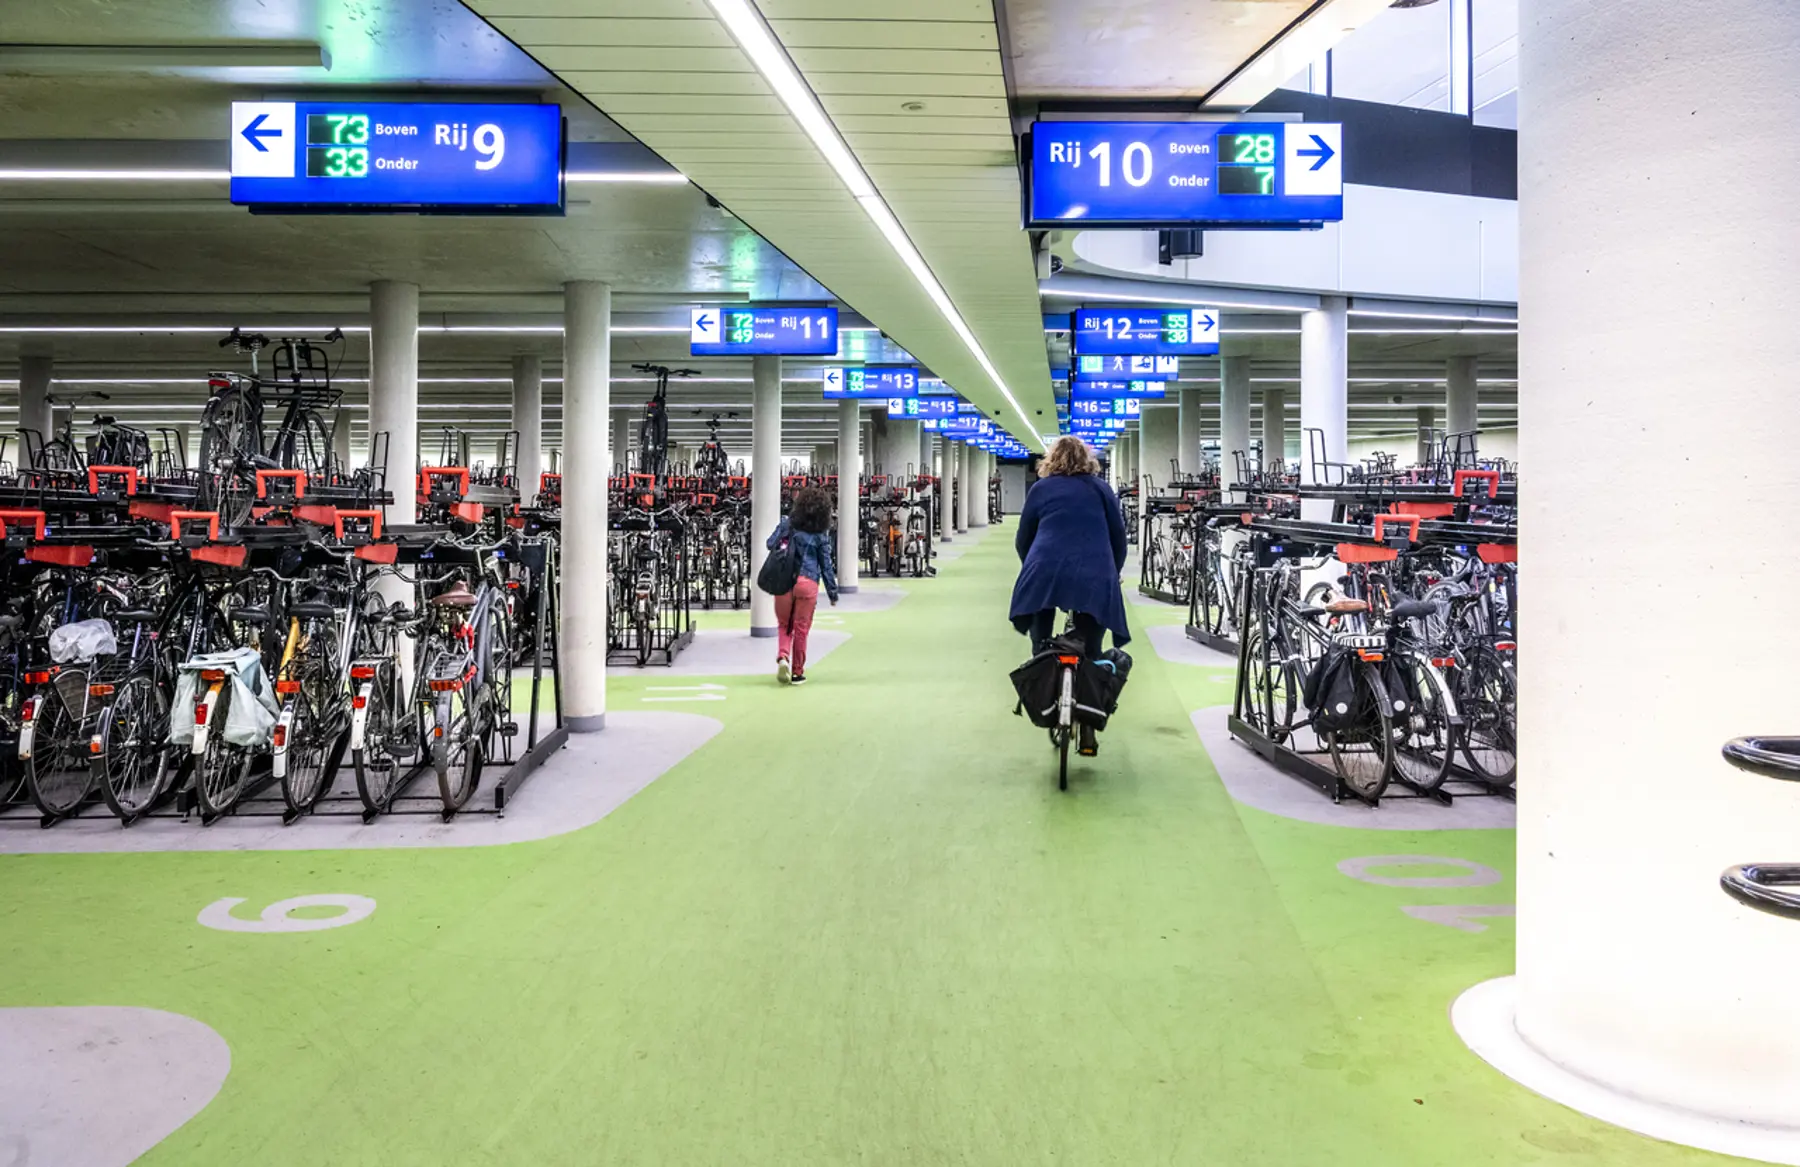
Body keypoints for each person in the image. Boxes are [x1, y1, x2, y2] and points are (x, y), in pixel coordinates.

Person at [1009, 436, 1130, 753]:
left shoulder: (1041, 489)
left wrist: (1032, 566)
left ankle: (1046, 692)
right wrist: (1111, 573)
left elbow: (1023, 538)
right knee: (1092, 649)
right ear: (1086, 460)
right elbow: (1119, 538)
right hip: (1095, 573)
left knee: (1041, 644)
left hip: (1044, 571)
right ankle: (1090, 723)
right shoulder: (1101, 488)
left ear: (1051, 460)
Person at [767, 486, 840, 685]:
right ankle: (798, 672)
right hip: (808, 583)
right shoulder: (821, 535)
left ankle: (783, 657)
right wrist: (832, 594)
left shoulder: (787, 524)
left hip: (784, 581)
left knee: (784, 625)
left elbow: (769, 543)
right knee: (801, 629)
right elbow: (826, 566)